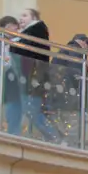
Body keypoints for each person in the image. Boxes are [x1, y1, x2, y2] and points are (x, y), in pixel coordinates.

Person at [15, 9, 63, 143]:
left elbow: (22, 51)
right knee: (30, 109)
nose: (21, 18)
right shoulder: (29, 33)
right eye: (20, 15)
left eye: (24, 15)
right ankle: (52, 136)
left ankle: (54, 136)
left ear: (34, 18)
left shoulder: (36, 31)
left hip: (33, 78)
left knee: (31, 110)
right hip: (31, 78)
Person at [0, 16, 23, 134]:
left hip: (7, 84)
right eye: (15, 29)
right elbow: (0, 62)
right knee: (11, 113)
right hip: (3, 83)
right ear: (8, 27)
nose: (17, 32)